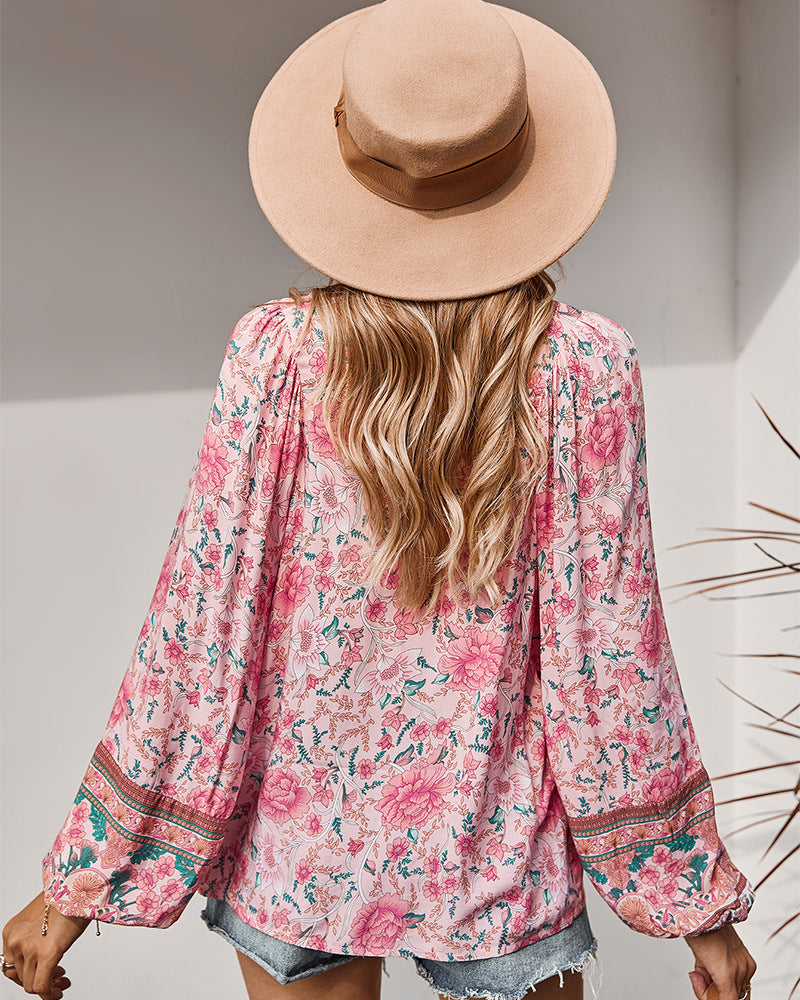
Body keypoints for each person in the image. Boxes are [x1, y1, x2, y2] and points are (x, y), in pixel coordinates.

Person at [1, 1, 758, 999]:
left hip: (298, 844)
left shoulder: (276, 353)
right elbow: (610, 656)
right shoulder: (583, 368)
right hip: (499, 847)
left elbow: (200, 629)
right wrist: (694, 905)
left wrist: (78, 885)